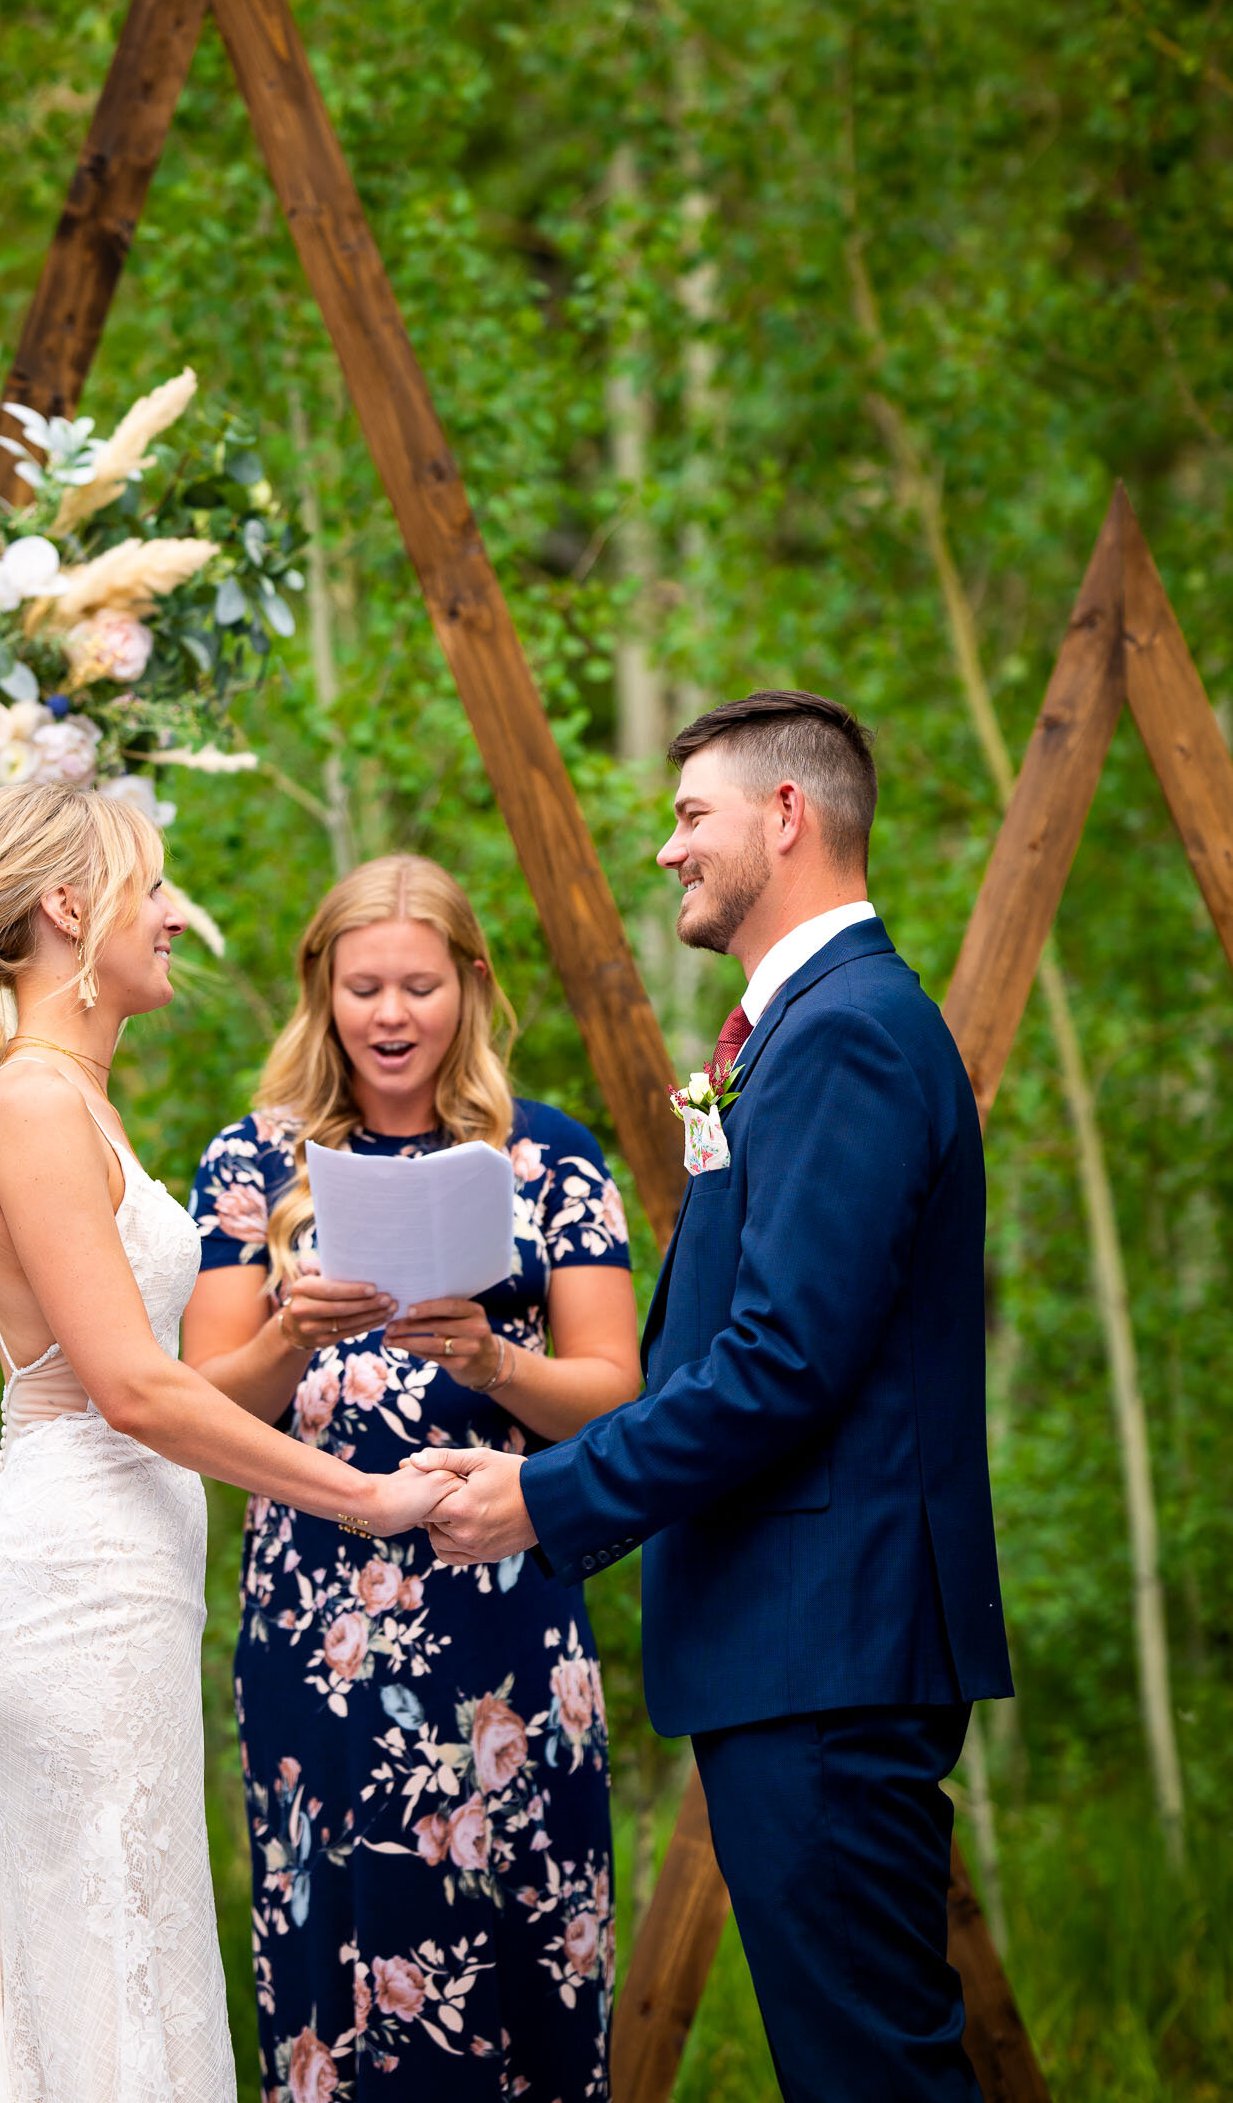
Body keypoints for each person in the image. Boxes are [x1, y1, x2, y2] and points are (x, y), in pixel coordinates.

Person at [410, 693, 1015, 2103]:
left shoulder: (847, 1033)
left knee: (869, 2074)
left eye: (692, 817)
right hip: (803, 1638)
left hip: (826, 1635)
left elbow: (781, 1363)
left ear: (784, 818)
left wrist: (541, 1496)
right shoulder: (805, 1026)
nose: (667, 851)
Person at [0, 783, 446, 2103]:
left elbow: (173, 1381)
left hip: (120, 1575)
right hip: (75, 1581)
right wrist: (362, 1498)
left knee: (112, 1935)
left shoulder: (74, 1097)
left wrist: (297, 1332)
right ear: (70, 910)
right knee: (102, 1945)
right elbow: (130, 1395)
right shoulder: (29, 1101)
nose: (177, 916)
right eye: (154, 888)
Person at [183, 854, 639, 2103]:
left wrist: (496, 1358)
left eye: (421, 986)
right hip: (317, 1631)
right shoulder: (250, 1162)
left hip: (508, 1620)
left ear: (472, 989)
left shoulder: (549, 1155)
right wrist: (290, 1333)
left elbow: (614, 1394)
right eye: (365, 986)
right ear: (322, 992)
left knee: (527, 1954)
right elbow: (196, 1406)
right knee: (338, 1960)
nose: (392, 1015)